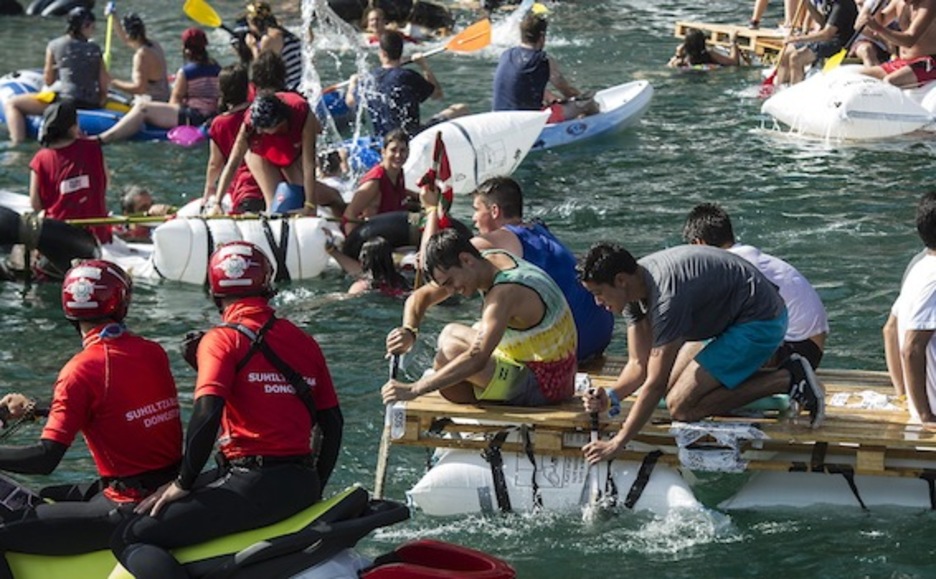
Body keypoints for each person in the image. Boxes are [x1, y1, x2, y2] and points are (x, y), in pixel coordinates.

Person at [111, 241, 343, 578]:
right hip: (300, 482)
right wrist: (314, 486)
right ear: (267, 285)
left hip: (252, 482)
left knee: (131, 533)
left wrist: (183, 482)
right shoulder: (304, 341)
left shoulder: (220, 340)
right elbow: (332, 425)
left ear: (214, 290)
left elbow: (206, 415)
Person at [0, 260, 182, 578]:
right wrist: (34, 407)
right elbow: (111, 404)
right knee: (46, 497)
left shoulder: (80, 369)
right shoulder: (152, 351)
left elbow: (45, 460)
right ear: (121, 302)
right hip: (159, 483)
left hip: (128, 503)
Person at [577, 242, 826, 465]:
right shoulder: (634, 288)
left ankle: (787, 377)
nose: (598, 303)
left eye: (598, 293)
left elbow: (653, 383)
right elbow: (638, 365)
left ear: (620, 280)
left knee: (681, 407)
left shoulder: (666, 299)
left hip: (761, 322)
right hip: (727, 321)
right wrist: (610, 397)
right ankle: (764, 377)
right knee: (669, 391)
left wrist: (617, 443)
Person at [382, 228, 578, 406]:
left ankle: (488, 407)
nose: (452, 291)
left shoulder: (504, 293)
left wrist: (415, 389)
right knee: (449, 333)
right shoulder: (488, 258)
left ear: (466, 260)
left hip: (549, 386)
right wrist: (409, 330)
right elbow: (420, 297)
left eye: (451, 282)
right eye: (445, 286)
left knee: (450, 351)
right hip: (554, 368)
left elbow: (477, 359)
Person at [465, 176, 613, 362]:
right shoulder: (539, 228)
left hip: (572, 345)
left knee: (474, 332)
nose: (474, 219)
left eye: (477, 210)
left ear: (494, 211)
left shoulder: (501, 239)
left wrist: (432, 211)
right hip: (600, 334)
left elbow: (449, 258)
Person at [682, 203, 829, 369]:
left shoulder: (729, 268)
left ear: (699, 244)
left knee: (698, 342)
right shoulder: (748, 258)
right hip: (807, 347)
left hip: (797, 353)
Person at [213, 92, 345, 215]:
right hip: (261, 154)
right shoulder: (250, 126)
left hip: (290, 156)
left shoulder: (302, 113)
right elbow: (232, 163)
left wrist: (310, 204)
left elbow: (308, 164)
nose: (260, 132)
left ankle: (342, 214)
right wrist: (217, 202)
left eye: (265, 129)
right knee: (275, 206)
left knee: (328, 197)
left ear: (280, 122)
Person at [3, 7, 108, 145]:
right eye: (92, 27)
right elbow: (103, 85)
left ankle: (17, 143)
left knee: (13, 103)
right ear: (85, 26)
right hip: (91, 102)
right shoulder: (95, 49)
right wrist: (101, 101)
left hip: (65, 102)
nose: (93, 30)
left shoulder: (54, 45)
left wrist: (57, 69)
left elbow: (48, 80)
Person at [99, 28, 221, 144]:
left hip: (193, 117)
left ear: (186, 49)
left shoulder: (186, 72)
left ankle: (105, 138)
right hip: (211, 116)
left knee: (142, 107)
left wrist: (162, 113)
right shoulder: (217, 68)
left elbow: (175, 101)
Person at [345, 30, 468, 138]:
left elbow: (350, 102)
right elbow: (437, 95)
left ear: (382, 53)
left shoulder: (369, 78)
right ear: (401, 51)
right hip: (412, 138)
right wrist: (424, 66)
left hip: (384, 141)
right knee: (460, 109)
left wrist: (352, 83)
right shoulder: (407, 76)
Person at [883, 191, 936, 427]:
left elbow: (890, 329)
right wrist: (925, 417)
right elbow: (911, 347)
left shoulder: (920, 267)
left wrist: (903, 394)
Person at [29, 101, 112, 246]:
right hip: (97, 235)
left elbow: (35, 204)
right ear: (73, 127)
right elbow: (107, 183)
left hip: (58, 235)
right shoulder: (93, 148)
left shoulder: (40, 159)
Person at [203, 64, 264, 215]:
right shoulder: (258, 114)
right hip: (269, 183)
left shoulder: (219, 124)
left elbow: (214, 164)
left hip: (243, 189)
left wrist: (209, 188)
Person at [491, 12, 581, 113]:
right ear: (542, 36)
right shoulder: (544, 59)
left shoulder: (506, 54)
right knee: (587, 105)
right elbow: (567, 91)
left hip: (499, 116)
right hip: (528, 120)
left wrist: (551, 97)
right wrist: (582, 98)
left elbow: (520, 84)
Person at [342, 129, 417, 234]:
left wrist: (417, 196)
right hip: (374, 234)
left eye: (403, 150)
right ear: (383, 152)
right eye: (393, 150)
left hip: (393, 228)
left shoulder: (398, 172)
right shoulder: (375, 182)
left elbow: (395, 191)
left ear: (408, 152)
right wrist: (351, 245)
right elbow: (349, 215)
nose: (398, 155)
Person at [775, 0, 858, 85]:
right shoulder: (829, 2)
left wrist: (797, 39)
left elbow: (827, 34)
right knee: (785, 52)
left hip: (839, 43)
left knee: (797, 58)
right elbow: (822, 22)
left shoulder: (842, 4)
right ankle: (780, 87)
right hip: (826, 39)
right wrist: (807, 4)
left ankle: (795, 90)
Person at [857, 0, 936, 87]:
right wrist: (873, 6)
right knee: (860, 77)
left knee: (890, 81)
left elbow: (910, 40)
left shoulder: (930, 3)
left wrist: (878, 28)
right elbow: (878, 23)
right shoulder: (899, 2)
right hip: (904, 61)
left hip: (931, 60)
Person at [109, 12, 171, 102]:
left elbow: (139, 89)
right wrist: (114, 18)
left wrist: (112, 82)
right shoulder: (154, 45)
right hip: (165, 96)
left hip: (152, 104)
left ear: (129, 35)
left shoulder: (141, 56)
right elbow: (126, 39)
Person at [243, 1, 303, 91]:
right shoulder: (281, 31)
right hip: (301, 82)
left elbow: (261, 72)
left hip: (292, 87)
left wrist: (253, 47)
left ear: (252, 22)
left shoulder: (269, 38)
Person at [667, 28, 742, 67]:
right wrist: (733, 41)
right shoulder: (709, 54)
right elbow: (734, 62)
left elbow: (670, 65)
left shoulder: (682, 61)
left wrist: (678, 55)